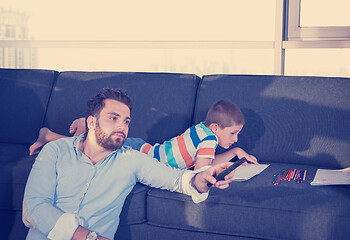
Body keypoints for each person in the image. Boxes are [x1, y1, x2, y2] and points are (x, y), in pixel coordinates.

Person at [23, 88, 235, 240]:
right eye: (113, 118)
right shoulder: (55, 151)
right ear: (91, 122)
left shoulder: (131, 159)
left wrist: (204, 178)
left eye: (126, 121)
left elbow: (179, 180)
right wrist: (88, 238)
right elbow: (33, 209)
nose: (122, 127)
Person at [29, 100, 258, 170]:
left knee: (93, 146)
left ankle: (63, 132)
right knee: (87, 150)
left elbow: (202, 160)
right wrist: (228, 165)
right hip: (139, 154)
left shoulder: (203, 129)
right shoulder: (209, 140)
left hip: (144, 148)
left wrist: (235, 153)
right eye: (234, 133)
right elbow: (202, 170)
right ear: (217, 128)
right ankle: (62, 133)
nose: (236, 138)